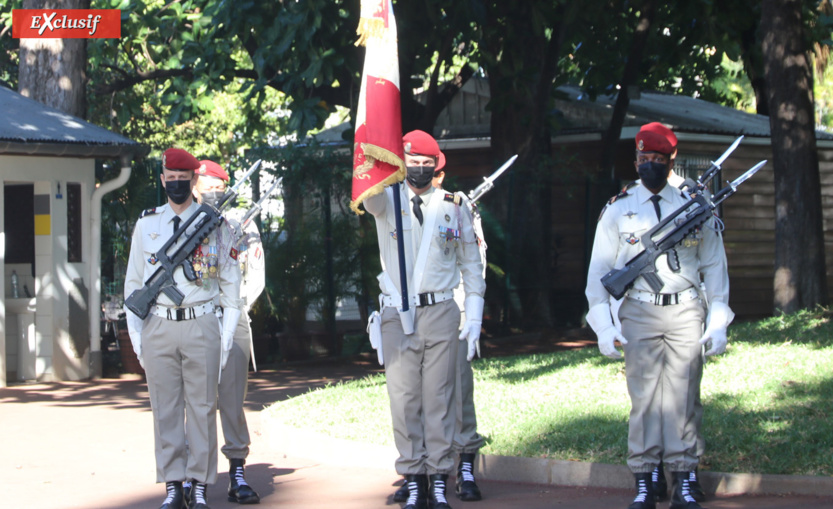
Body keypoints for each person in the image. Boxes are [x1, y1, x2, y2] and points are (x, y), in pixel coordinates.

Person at [585, 123, 734, 509]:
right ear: (635, 159)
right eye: (643, 158)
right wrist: (603, 325)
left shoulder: (693, 202)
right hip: (639, 309)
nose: (649, 164)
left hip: (685, 307)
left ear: (672, 160)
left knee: (684, 396)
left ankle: (684, 476)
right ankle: (646, 478)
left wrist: (718, 318)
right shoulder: (619, 208)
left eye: (657, 159)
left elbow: (714, 265)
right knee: (645, 397)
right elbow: (599, 272)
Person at [364, 130, 486, 509]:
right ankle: (413, 479)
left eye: (424, 164)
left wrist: (475, 314)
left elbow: (471, 263)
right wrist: (370, 150)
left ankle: (438, 479)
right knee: (403, 400)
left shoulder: (455, 206)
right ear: (401, 165)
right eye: (411, 163)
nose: (418, 170)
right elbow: (365, 195)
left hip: (441, 312)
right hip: (397, 313)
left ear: (436, 167)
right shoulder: (385, 199)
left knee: (440, 400)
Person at [124, 148, 242, 509]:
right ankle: (173, 485)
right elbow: (133, 285)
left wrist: (225, 338)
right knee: (165, 408)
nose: (176, 185)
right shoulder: (147, 225)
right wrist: (138, 338)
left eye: (183, 179)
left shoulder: (215, 225)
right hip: (158, 324)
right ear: (162, 180)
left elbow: (231, 287)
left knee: (203, 408)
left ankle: (201, 485)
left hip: (201, 322)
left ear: (194, 181)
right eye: (170, 179)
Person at [183, 160, 264, 505]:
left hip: (232, 316)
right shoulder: (183, 222)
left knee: (231, 400)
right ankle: (193, 475)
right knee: (196, 401)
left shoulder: (240, 224)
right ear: (194, 188)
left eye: (216, 184)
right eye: (204, 184)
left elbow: (256, 275)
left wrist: (234, 307)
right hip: (194, 319)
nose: (210, 190)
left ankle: (237, 470)